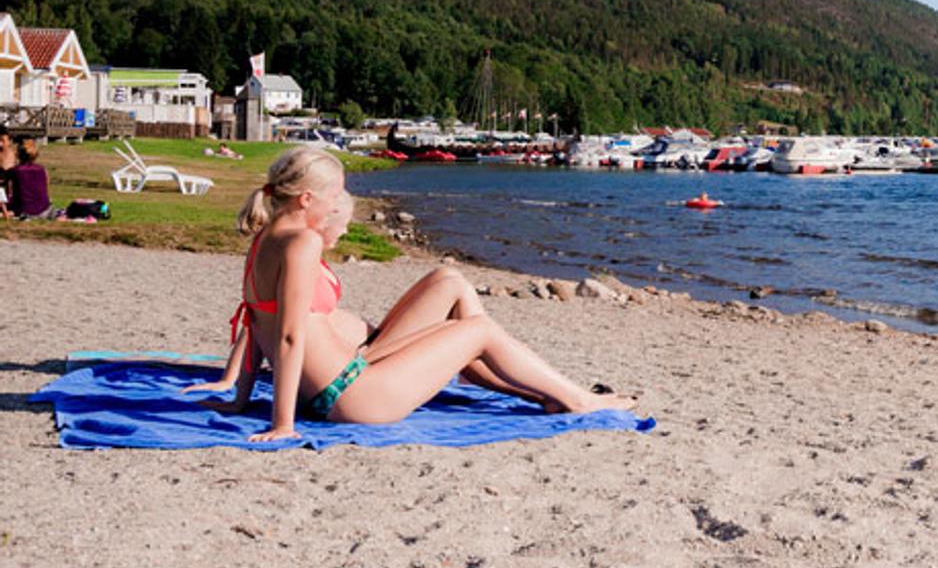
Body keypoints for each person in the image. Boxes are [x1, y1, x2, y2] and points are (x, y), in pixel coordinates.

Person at [196, 145, 630, 441]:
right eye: (333, 197)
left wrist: (241, 398)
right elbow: (288, 337)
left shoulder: (264, 240)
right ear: (307, 198)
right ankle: (578, 400)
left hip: (337, 386)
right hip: (352, 394)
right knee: (478, 328)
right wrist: (283, 423)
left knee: (449, 281)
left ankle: (545, 394)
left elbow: (256, 325)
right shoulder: (302, 243)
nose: (339, 206)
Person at [1, 137, 54, 219]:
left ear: (18, 155)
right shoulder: (42, 170)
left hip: (24, 210)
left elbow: (5, 189)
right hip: (45, 209)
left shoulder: (14, 171)